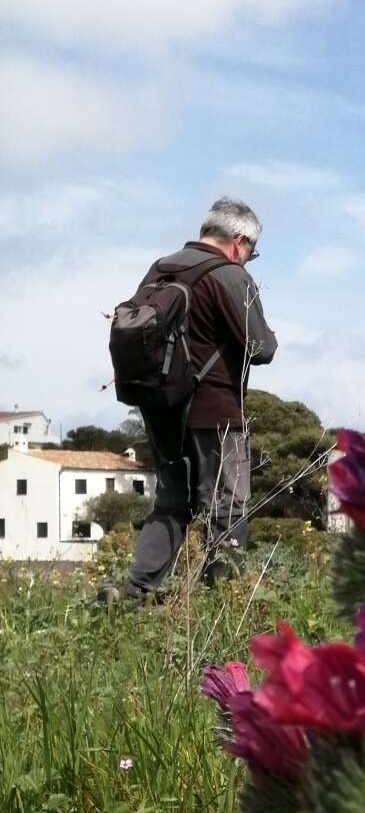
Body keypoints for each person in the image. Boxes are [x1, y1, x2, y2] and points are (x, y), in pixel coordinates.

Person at [124, 197, 278, 597]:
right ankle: (220, 599)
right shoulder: (229, 275)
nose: (248, 258)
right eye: (251, 251)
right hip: (216, 412)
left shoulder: (161, 268)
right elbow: (261, 348)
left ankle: (136, 591)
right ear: (239, 241)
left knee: (172, 500)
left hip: (161, 410)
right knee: (227, 504)